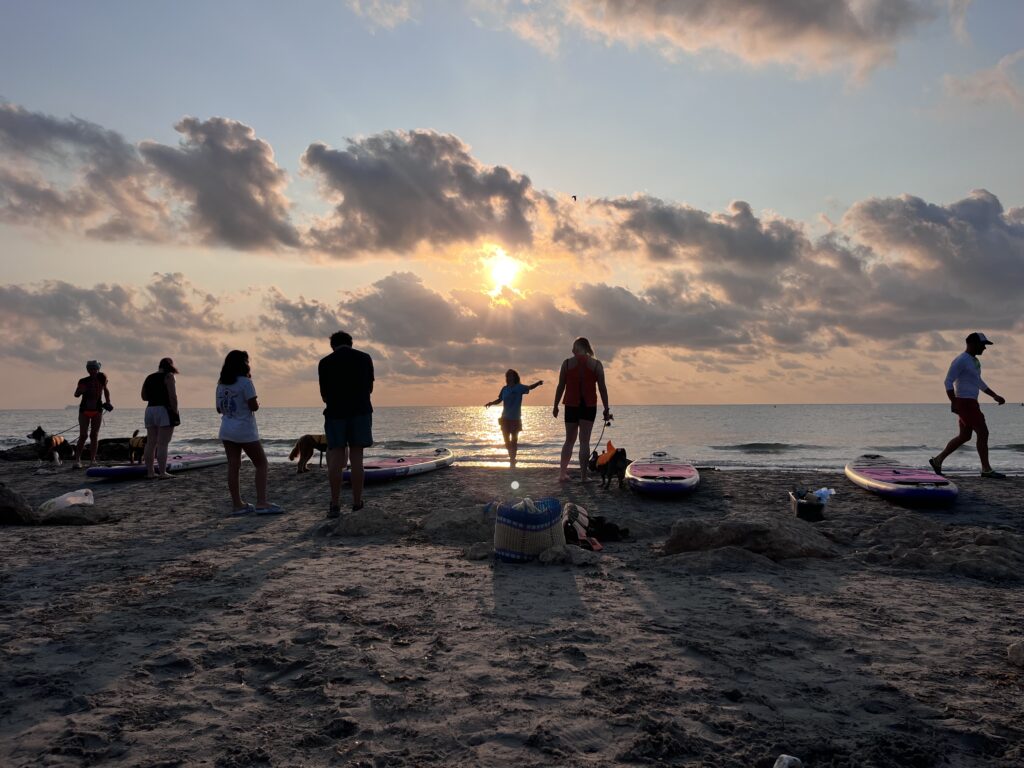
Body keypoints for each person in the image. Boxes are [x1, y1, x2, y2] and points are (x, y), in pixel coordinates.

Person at [929, 332, 1006, 479]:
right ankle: (986, 469)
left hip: (971, 402)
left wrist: (994, 395)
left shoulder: (974, 361)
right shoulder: (961, 360)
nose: (985, 348)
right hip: (964, 402)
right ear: (972, 344)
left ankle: (937, 460)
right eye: (983, 345)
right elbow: (948, 381)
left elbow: (978, 382)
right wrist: (954, 401)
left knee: (965, 436)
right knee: (983, 433)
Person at [216, 350, 283, 514]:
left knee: (233, 466)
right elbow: (253, 406)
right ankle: (261, 502)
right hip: (244, 429)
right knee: (261, 463)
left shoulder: (221, 384)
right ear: (243, 364)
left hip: (227, 428)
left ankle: (237, 504)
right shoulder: (245, 382)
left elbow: (219, 409)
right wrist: (257, 403)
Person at [318, 331, 374, 518]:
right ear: (351, 343)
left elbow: (324, 395)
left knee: (336, 460)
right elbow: (370, 388)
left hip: (335, 414)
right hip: (360, 411)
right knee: (357, 460)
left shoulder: (325, 362)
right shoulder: (365, 358)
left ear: (332, 345)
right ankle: (357, 504)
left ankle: (335, 505)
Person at [552, 337, 611, 482]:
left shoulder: (567, 364)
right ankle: (584, 477)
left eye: (574, 347)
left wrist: (555, 405)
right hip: (588, 406)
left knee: (569, 441)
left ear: (577, 348)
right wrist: (606, 408)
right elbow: (602, 389)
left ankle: (562, 474)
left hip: (571, 405)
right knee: (584, 441)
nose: (572, 350)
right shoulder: (596, 365)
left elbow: (560, 386)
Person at [485, 369, 543, 467]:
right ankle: (511, 456)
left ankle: (513, 458)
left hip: (515, 418)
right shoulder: (504, 389)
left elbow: (530, 387)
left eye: (511, 375)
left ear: (515, 377)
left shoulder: (519, 387)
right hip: (505, 418)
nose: (509, 377)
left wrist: (537, 383)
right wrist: (491, 403)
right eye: (508, 376)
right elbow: (499, 399)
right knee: (507, 441)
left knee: (514, 441)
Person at [141, 357, 180, 479]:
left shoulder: (149, 377)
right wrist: (175, 411)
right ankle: (163, 472)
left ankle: (150, 472)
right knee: (163, 443)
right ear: (170, 366)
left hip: (150, 410)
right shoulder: (169, 376)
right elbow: (173, 396)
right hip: (163, 409)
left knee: (151, 443)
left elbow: (143, 396)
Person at [73, 360, 113, 468]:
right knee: (83, 435)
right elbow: (76, 395)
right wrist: (80, 391)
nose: (92, 371)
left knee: (94, 435)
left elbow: (106, 390)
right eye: (90, 369)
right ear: (87, 370)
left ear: (98, 369)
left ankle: (93, 460)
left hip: (97, 410)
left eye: (94, 369)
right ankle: (77, 460)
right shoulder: (83, 380)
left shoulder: (102, 378)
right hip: (84, 410)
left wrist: (108, 402)